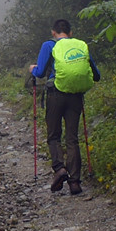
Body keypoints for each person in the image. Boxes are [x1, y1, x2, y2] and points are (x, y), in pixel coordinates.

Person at [29, 19, 100, 195]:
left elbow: (39, 73)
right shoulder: (80, 45)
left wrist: (32, 69)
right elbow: (96, 75)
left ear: (53, 32)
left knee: (54, 136)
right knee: (72, 138)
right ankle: (75, 182)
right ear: (70, 33)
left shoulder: (49, 45)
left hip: (55, 95)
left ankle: (60, 168)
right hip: (75, 97)